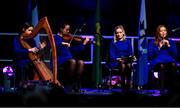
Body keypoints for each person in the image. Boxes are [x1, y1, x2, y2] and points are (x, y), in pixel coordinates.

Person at [51, 22, 90, 92]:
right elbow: (55, 45)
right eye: (67, 29)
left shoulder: (68, 39)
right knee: (73, 61)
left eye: (69, 30)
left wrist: (84, 43)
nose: (68, 31)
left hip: (69, 59)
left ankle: (77, 84)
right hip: (60, 60)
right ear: (61, 29)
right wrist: (63, 43)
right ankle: (70, 83)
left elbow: (76, 50)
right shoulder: (55, 37)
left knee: (81, 62)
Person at [13, 22, 46, 86]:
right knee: (28, 65)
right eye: (29, 30)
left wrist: (39, 48)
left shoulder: (31, 40)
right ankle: (22, 85)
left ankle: (34, 86)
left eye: (32, 31)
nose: (31, 32)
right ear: (23, 29)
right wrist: (29, 50)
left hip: (30, 60)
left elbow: (35, 52)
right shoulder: (17, 38)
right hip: (20, 60)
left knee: (39, 65)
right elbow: (17, 51)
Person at [148, 25, 178, 94]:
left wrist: (169, 46)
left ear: (167, 32)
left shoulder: (171, 41)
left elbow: (175, 54)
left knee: (173, 64)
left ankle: (172, 88)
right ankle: (162, 88)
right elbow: (150, 54)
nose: (163, 32)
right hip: (157, 61)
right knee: (161, 66)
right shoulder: (153, 41)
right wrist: (158, 47)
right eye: (161, 31)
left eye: (164, 30)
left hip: (168, 61)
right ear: (158, 32)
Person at [108, 25, 134, 91]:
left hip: (126, 60)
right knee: (123, 65)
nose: (118, 34)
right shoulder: (113, 43)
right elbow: (111, 55)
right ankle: (123, 85)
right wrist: (118, 59)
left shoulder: (128, 42)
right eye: (117, 33)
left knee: (128, 64)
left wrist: (127, 58)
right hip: (116, 61)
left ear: (123, 33)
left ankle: (128, 84)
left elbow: (130, 53)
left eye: (120, 32)